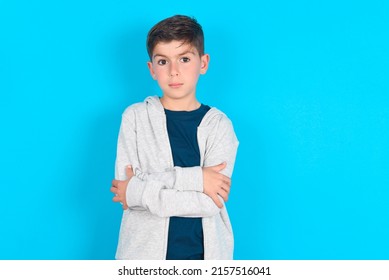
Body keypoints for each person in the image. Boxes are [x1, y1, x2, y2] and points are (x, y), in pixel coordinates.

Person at [110, 15, 239, 260]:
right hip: (140, 258)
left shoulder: (220, 126)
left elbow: (210, 203)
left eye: (184, 59)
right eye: (162, 61)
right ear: (151, 69)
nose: (174, 71)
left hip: (204, 257)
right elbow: (125, 190)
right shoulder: (134, 118)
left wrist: (141, 189)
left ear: (203, 63)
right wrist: (198, 179)